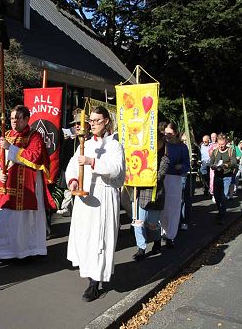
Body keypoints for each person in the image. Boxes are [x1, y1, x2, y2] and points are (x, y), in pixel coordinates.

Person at [0, 105, 55, 267]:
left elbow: (34, 157)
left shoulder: (35, 136)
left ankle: (24, 252)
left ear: (26, 119)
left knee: (21, 224)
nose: (13, 121)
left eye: (17, 118)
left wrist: (10, 148)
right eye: (12, 118)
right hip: (4, 186)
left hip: (25, 187)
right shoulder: (7, 136)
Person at [65, 106, 125, 302]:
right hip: (85, 196)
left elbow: (116, 170)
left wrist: (92, 161)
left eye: (97, 120)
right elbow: (73, 165)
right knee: (85, 237)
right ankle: (88, 272)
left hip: (103, 196)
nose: (92, 124)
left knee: (99, 240)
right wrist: (73, 180)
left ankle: (95, 282)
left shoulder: (115, 146)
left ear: (106, 121)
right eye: (90, 121)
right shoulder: (86, 143)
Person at [130, 125, 168, 261]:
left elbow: (159, 176)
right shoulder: (142, 155)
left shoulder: (164, 159)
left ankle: (157, 240)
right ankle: (141, 248)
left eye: (158, 141)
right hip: (139, 192)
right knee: (138, 222)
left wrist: (144, 174)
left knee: (152, 224)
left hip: (155, 193)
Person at [159, 123, 189, 248]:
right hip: (162, 178)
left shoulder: (182, 147)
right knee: (162, 207)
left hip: (175, 179)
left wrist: (181, 167)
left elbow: (187, 164)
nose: (167, 136)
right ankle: (163, 232)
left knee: (173, 208)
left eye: (170, 134)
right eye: (166, 133)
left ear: (176, 133)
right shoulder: (162, 144)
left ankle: (171, 236)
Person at [56, 109, 90, 217]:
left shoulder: (91, 141)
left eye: (80, 123)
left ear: (87, 125)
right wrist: (67, 140)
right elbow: (67, 156)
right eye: (76, 124)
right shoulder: (72, 138)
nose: (77, 126)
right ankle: (67, 207)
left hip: (87, 173)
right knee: (68, 188)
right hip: (71, 168)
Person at [209, 133, 238, 224]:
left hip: (227, 175)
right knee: (217, 197)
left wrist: (226, 165)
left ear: (226, 143)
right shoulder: (215, 151)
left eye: (223, 144)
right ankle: (220, 211)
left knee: (224, 196)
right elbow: (211, 163)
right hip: (217, 175)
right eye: (219, 144)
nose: (221, 146)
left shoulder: (231, 151)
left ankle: (222, 216)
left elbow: (234, 163)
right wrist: (214, 166)